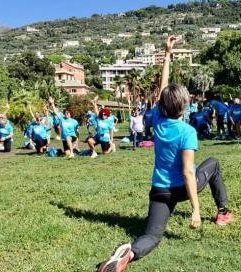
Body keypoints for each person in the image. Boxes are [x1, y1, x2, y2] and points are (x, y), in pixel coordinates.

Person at [97, 36, 234, 272]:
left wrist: (167, 54)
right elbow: (189, 172)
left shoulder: (159, 121)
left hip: (159, 190)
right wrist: (196, 210)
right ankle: (222, 212)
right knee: (213, 163)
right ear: (184, 106)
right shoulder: (187, 131)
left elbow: (163, 90)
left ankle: (129, 254)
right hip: (181, 188)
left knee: (152, 236)